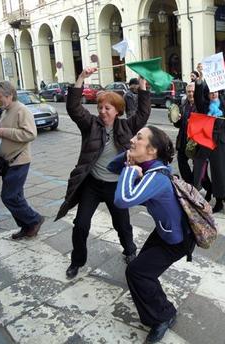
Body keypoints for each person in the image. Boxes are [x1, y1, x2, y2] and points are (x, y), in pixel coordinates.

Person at [55, 67, 151, 279]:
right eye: (100, 107)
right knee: (80, 224)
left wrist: (143, 87)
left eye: (107, 108)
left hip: (116, 185)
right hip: (93, 183)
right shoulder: (90, 125)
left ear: (117, 110)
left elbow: (143, 114)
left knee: (122, 224)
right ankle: (77, 261)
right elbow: (73, 108)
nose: (102, 111)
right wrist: (80, 77)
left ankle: (130, 250)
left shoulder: (126, 127)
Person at [110, 126, 195, 344]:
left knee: (137, 272)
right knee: (141, 271)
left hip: (176, 240)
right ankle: (155, 305)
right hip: (165, 231)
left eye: (138, 138)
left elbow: (123, 199)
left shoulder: (156, 176)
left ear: (152, 151)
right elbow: (112, 166)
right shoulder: (149, 167)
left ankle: (164, 315)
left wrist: (130, 169)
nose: (131, 140)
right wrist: (131, 156)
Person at [0, 81, 44, 240]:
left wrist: (4, 131)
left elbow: (30, 134)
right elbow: (0, 137)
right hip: (9, 162)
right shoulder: (6, 111)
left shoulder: (21, 110)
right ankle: (26, 226)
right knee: (16, 197)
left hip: (19, 161)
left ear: (10, 95)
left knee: (9, 197)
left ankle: (34, 220)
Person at [193, 75, 225, 213]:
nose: (213, 94)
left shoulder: (223, 106)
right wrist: (199, 82)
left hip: (220, 143)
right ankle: (205, 189)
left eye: (215, 92)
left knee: (220, 172)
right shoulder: (204, 106)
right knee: (199, 168)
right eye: (211, 92)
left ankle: (220, 200)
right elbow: (197, 98)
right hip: (205, 141)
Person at [173, 83, 196, 184]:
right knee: (181, 162)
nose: (191, 94)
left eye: (193, 92)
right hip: (183, 139)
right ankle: (190, 183)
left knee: (199, 167)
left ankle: (205, 187)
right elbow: (178, 125)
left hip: (195, 141)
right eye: (189, 92)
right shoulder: (183, 105)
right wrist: (176, 119)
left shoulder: (201, 105)